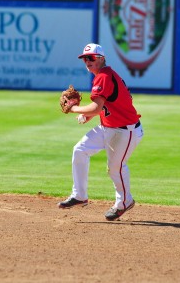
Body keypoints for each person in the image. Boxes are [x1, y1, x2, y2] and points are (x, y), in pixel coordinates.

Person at [59, 43, 143, 221]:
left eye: (91, 58)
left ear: (101, 58)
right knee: (80, 150)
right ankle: (79, 195)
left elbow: (97, 106)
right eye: (85, 59)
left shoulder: (104, 76)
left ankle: (125, 201)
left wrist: (73, 109)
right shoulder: (105, 75)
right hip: (109, 127)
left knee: (115, 167)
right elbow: (109, 104)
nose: (87, 61)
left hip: (125, 131)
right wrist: (88, 116)